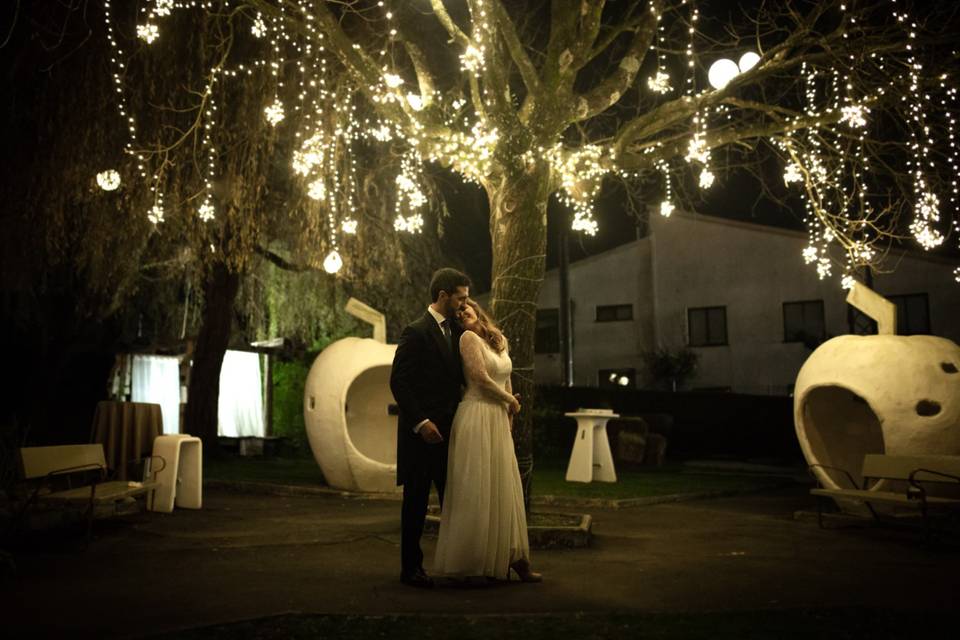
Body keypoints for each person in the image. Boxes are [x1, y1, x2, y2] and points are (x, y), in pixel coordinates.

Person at [433, 299, 542, 583]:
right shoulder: (467, 339)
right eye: (457, 312)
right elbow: (480, 379)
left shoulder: (498, 338)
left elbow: (506, 378)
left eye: (465, 306)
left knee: (504, 485)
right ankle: (476, 561)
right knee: (478, 486)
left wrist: (510, 412)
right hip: (477, 415)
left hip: (497, 417)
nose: (462, 312)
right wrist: (510, 401)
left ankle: (515, 559)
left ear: (475, 308)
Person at [390, 267, 471, 588]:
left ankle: (458, 563)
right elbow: (399, 381)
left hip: (452, 434)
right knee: (416, 504)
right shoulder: (416, 331)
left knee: (456, 500)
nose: (465, 304)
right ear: (443, 296)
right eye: (460, 298)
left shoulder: (456, 330)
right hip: (422, 438)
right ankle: (411, 569)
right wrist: (421, 422)